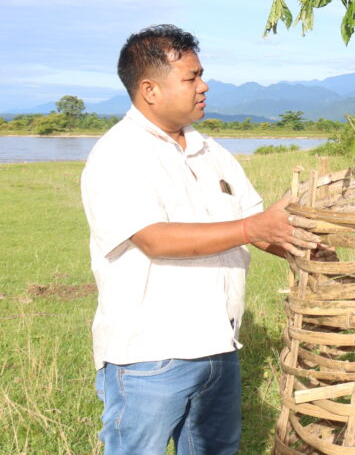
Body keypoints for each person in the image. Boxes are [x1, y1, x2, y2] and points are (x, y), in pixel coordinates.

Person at [81, 24, 320, 454]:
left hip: (218, 346)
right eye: (191, 77)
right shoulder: (119, 154)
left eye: (200, 74)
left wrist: (302, 242)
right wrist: (253, 229)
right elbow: (154, 238)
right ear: (150, 90)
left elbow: (257, 222)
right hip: (150, 353)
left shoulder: (211, 152)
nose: (204, 85)